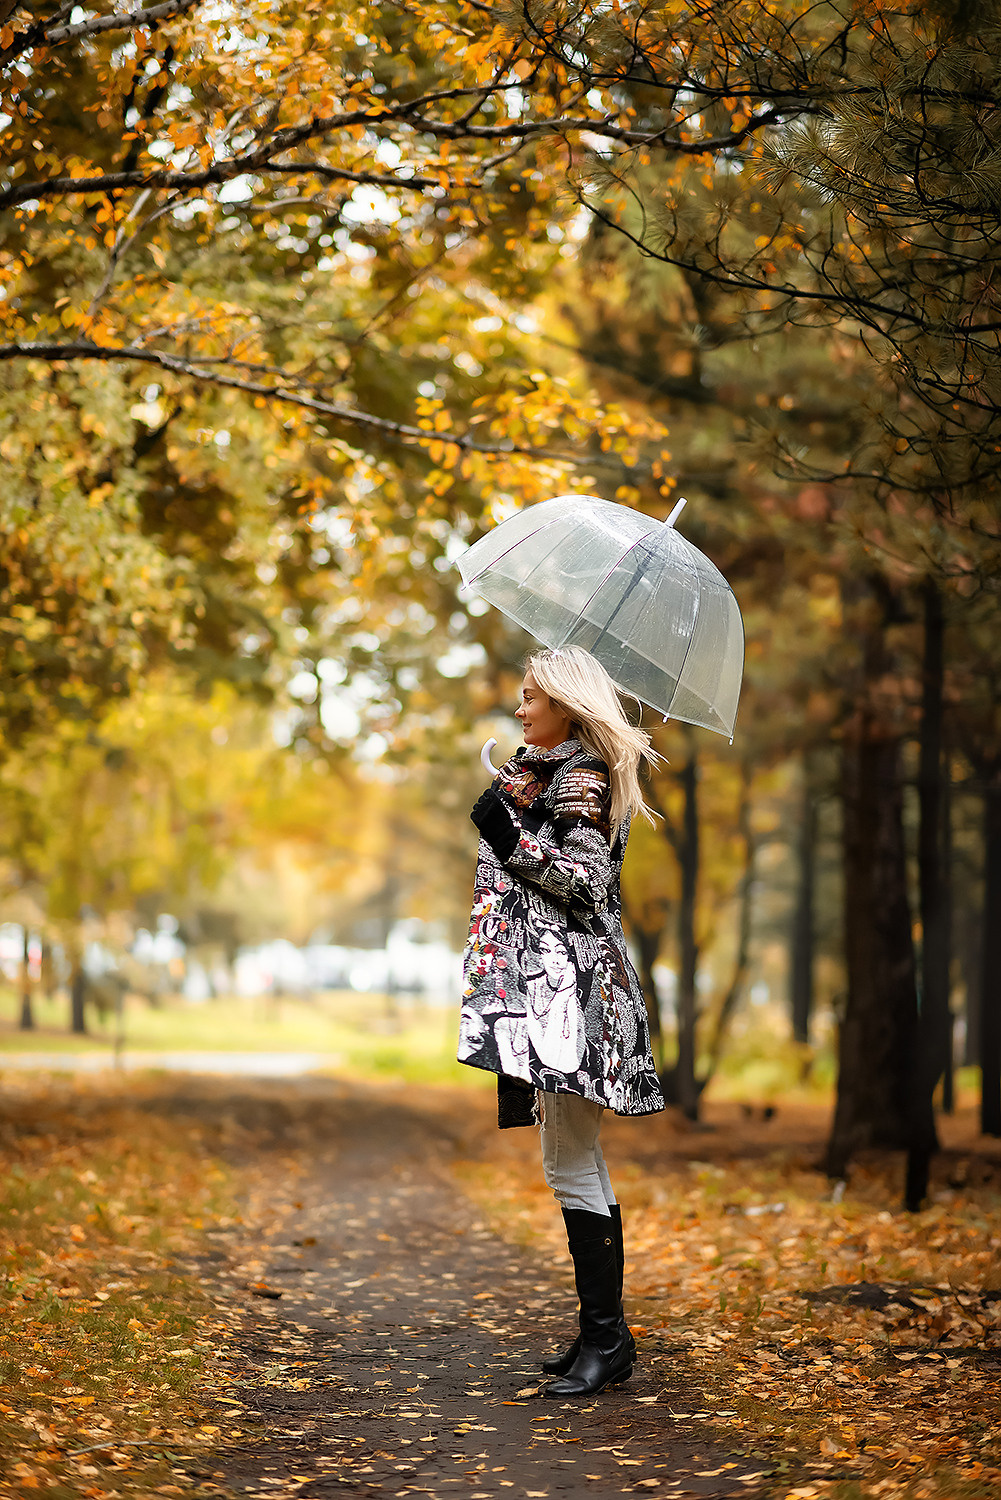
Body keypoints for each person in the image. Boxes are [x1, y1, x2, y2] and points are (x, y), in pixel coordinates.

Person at [458, 645, 665, 1398]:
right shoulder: (548, 773)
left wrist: (508, 837)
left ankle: (606, 1340)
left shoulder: (579, 778)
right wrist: (509, 811)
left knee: (568, 1162)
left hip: (569, 997)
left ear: (567, 709)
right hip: (556, 991)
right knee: (573, 1160)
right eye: (520, 696)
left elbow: (584, 881)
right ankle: (600, 1334)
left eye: (531, 699)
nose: (519, 709)